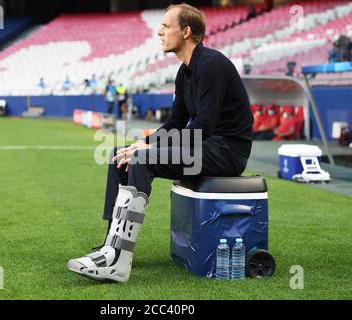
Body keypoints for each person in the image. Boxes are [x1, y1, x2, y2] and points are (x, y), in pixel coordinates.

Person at [67, 3, 253, 283]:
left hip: (227, 152)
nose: (159, 32)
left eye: (166, 26)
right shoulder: (184, 72)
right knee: (122, 155)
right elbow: (175, 124)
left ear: (186, 31)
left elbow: (204, 127)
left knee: (143, 159)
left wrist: (151, 149)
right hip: (204, 147)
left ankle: (118, 260)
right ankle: (110, 246)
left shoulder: (211, 64)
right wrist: (144, 143)